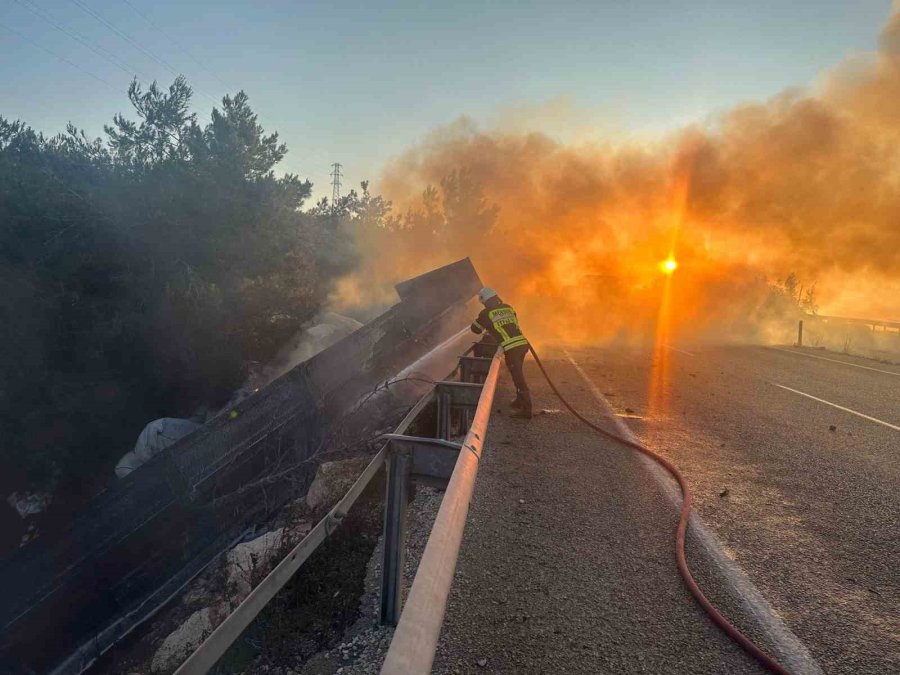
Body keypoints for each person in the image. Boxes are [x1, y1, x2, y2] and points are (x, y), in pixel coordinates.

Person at [470, 287, 533, 418]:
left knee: (518, 377)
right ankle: (519, 401)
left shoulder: (486, 313)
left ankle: (527, 410)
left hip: (512, 348)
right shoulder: (508, 308)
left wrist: (485, 325)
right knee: (518, 373)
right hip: (522, 344)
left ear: (485, 301)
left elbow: (475, 329)